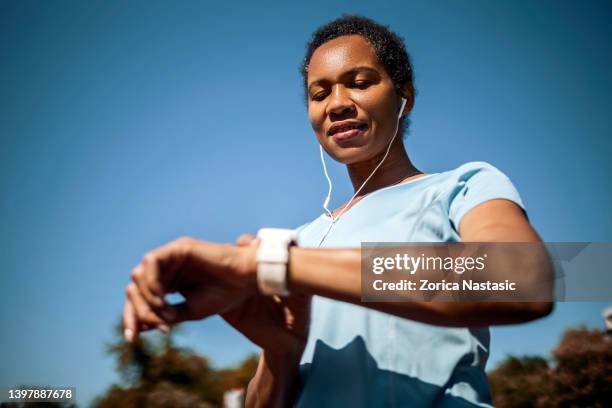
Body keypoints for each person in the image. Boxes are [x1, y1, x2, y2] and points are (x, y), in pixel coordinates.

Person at [123, 15, 553, 407]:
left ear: (405, 97)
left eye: (360, 82)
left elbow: (525, 277)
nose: (337, 103)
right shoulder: (301, 242)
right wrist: (280, 350)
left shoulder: (463, 186)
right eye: (320, 93)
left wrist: (275, 264)